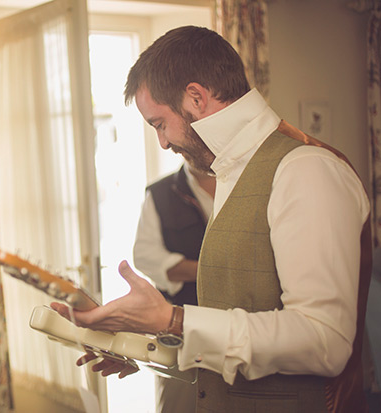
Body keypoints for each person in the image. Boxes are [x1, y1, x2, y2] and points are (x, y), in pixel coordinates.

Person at [52, 25, 372, 411]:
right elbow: (237, 340)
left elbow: (325, 342)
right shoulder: (231, 174)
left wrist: (174, 320)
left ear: (196, 97)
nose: (163, 142)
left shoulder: (305, 169)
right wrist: (131, 344)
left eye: (159, 123)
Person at [133, 159, 214, 413]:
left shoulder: (245, 182)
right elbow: (145, 256)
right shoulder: (160, 193)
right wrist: (210, 272)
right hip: (180, 331)